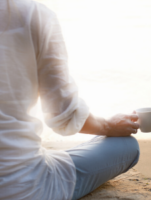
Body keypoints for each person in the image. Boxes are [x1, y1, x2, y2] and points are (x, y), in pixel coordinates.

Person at [0, 0, 140, 199]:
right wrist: (108, 127)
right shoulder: (32, 15)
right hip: (23, 188)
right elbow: (64, 116)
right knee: (128, 148)